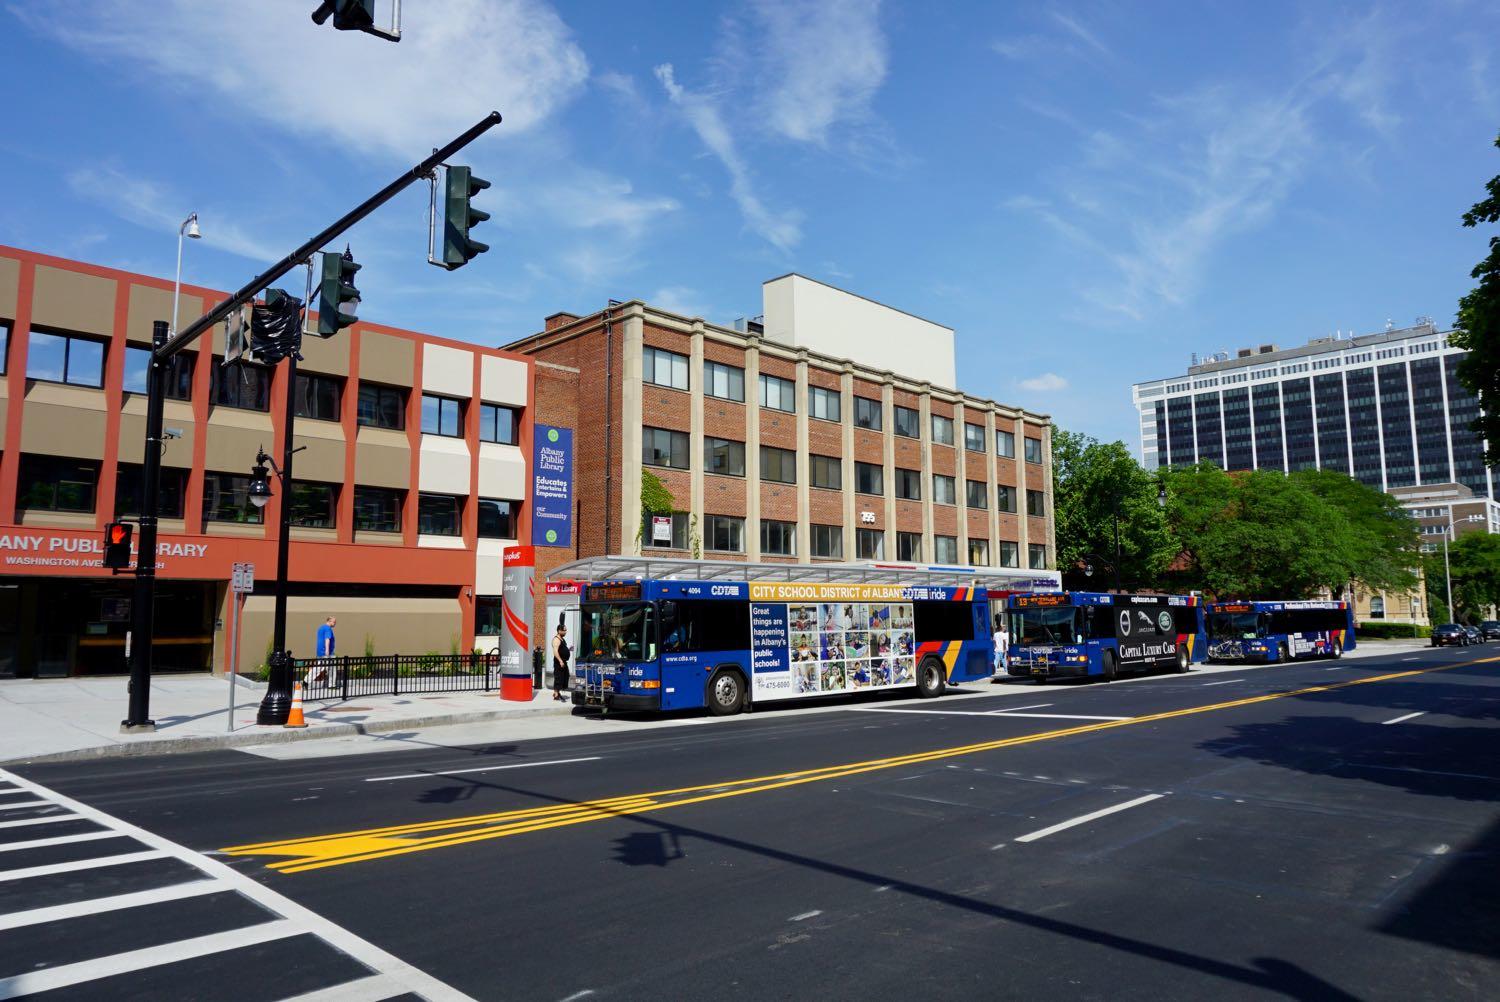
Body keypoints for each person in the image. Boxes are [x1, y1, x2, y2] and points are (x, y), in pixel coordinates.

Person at [307, 617, 337, 686]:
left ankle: (306, 681)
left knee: (318, 668)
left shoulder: (321, 628)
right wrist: (327, 650)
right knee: (332, 669)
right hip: (328, 653)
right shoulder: (328, 629)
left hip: (320, 652)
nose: (335, 624)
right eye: (334, 622)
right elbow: (327, 639)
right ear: (329, 621)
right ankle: (332, 685)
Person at [550, 622, 571, 701]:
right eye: (564, 630)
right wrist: (560, 661)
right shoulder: (556, 639)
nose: (565, 632)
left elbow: (562, 649)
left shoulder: (562, 639)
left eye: (566, 630)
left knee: (565, 676)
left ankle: (557, 692)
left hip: (564, 661)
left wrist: (568, 650)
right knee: (558, 677)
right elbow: (555, 651)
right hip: (559, 662)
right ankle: (556, 694)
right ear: (559, 631)